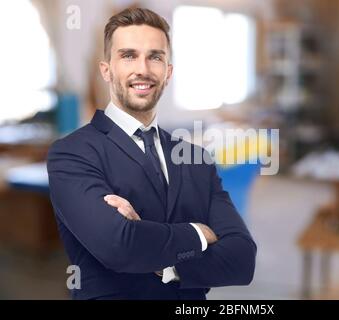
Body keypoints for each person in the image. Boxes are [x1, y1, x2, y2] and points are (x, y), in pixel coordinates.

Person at [46, 7, 256, 300]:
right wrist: (199, 233)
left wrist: (163, 263)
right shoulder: (72, 154)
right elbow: (118, 245)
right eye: (128, 55)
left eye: (155, 57)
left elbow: (242, 261)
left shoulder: (196, 159)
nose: (142, 69)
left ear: (168, 72)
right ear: (106, 70)